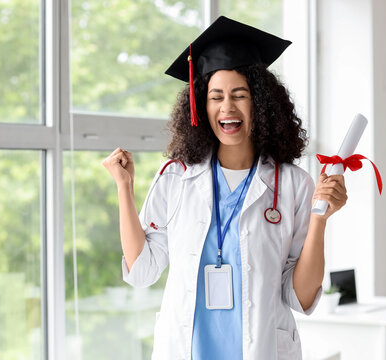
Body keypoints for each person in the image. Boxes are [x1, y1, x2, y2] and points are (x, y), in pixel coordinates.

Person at [102, 16, 347, 360]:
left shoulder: (292, 184)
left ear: (261, 104)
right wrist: (124, 188)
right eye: (216, 96)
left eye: (240, 95)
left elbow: (301, 297)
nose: (227, 107)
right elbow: (142, 271)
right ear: (201, 106)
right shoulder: (175, 176)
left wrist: (321, 218)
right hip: (186, 349)